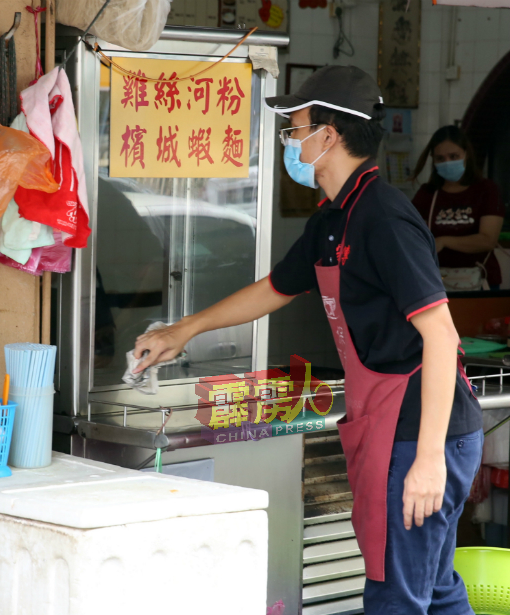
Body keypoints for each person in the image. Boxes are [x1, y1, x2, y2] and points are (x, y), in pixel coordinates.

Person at [131, 66, 483, 614]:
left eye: (296, 129)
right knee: (433, 592)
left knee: (397, 596)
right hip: (394, 423)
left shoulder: (384, 218)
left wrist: (430, 461)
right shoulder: (331, 219)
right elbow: (275, 287)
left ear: (330, 134)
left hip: (422, 430)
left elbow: (440, 335)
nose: (290, 142)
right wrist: (183, 330)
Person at [411, 125, 504, 291]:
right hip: (436, 283)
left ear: (466, 154)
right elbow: (415, 238)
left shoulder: (487, 190)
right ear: (433, 160)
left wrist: (444, 241)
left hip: (481, 281)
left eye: (454, 156)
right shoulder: (427, 194)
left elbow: (488, 240)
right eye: (440, 159)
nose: (447, 162)